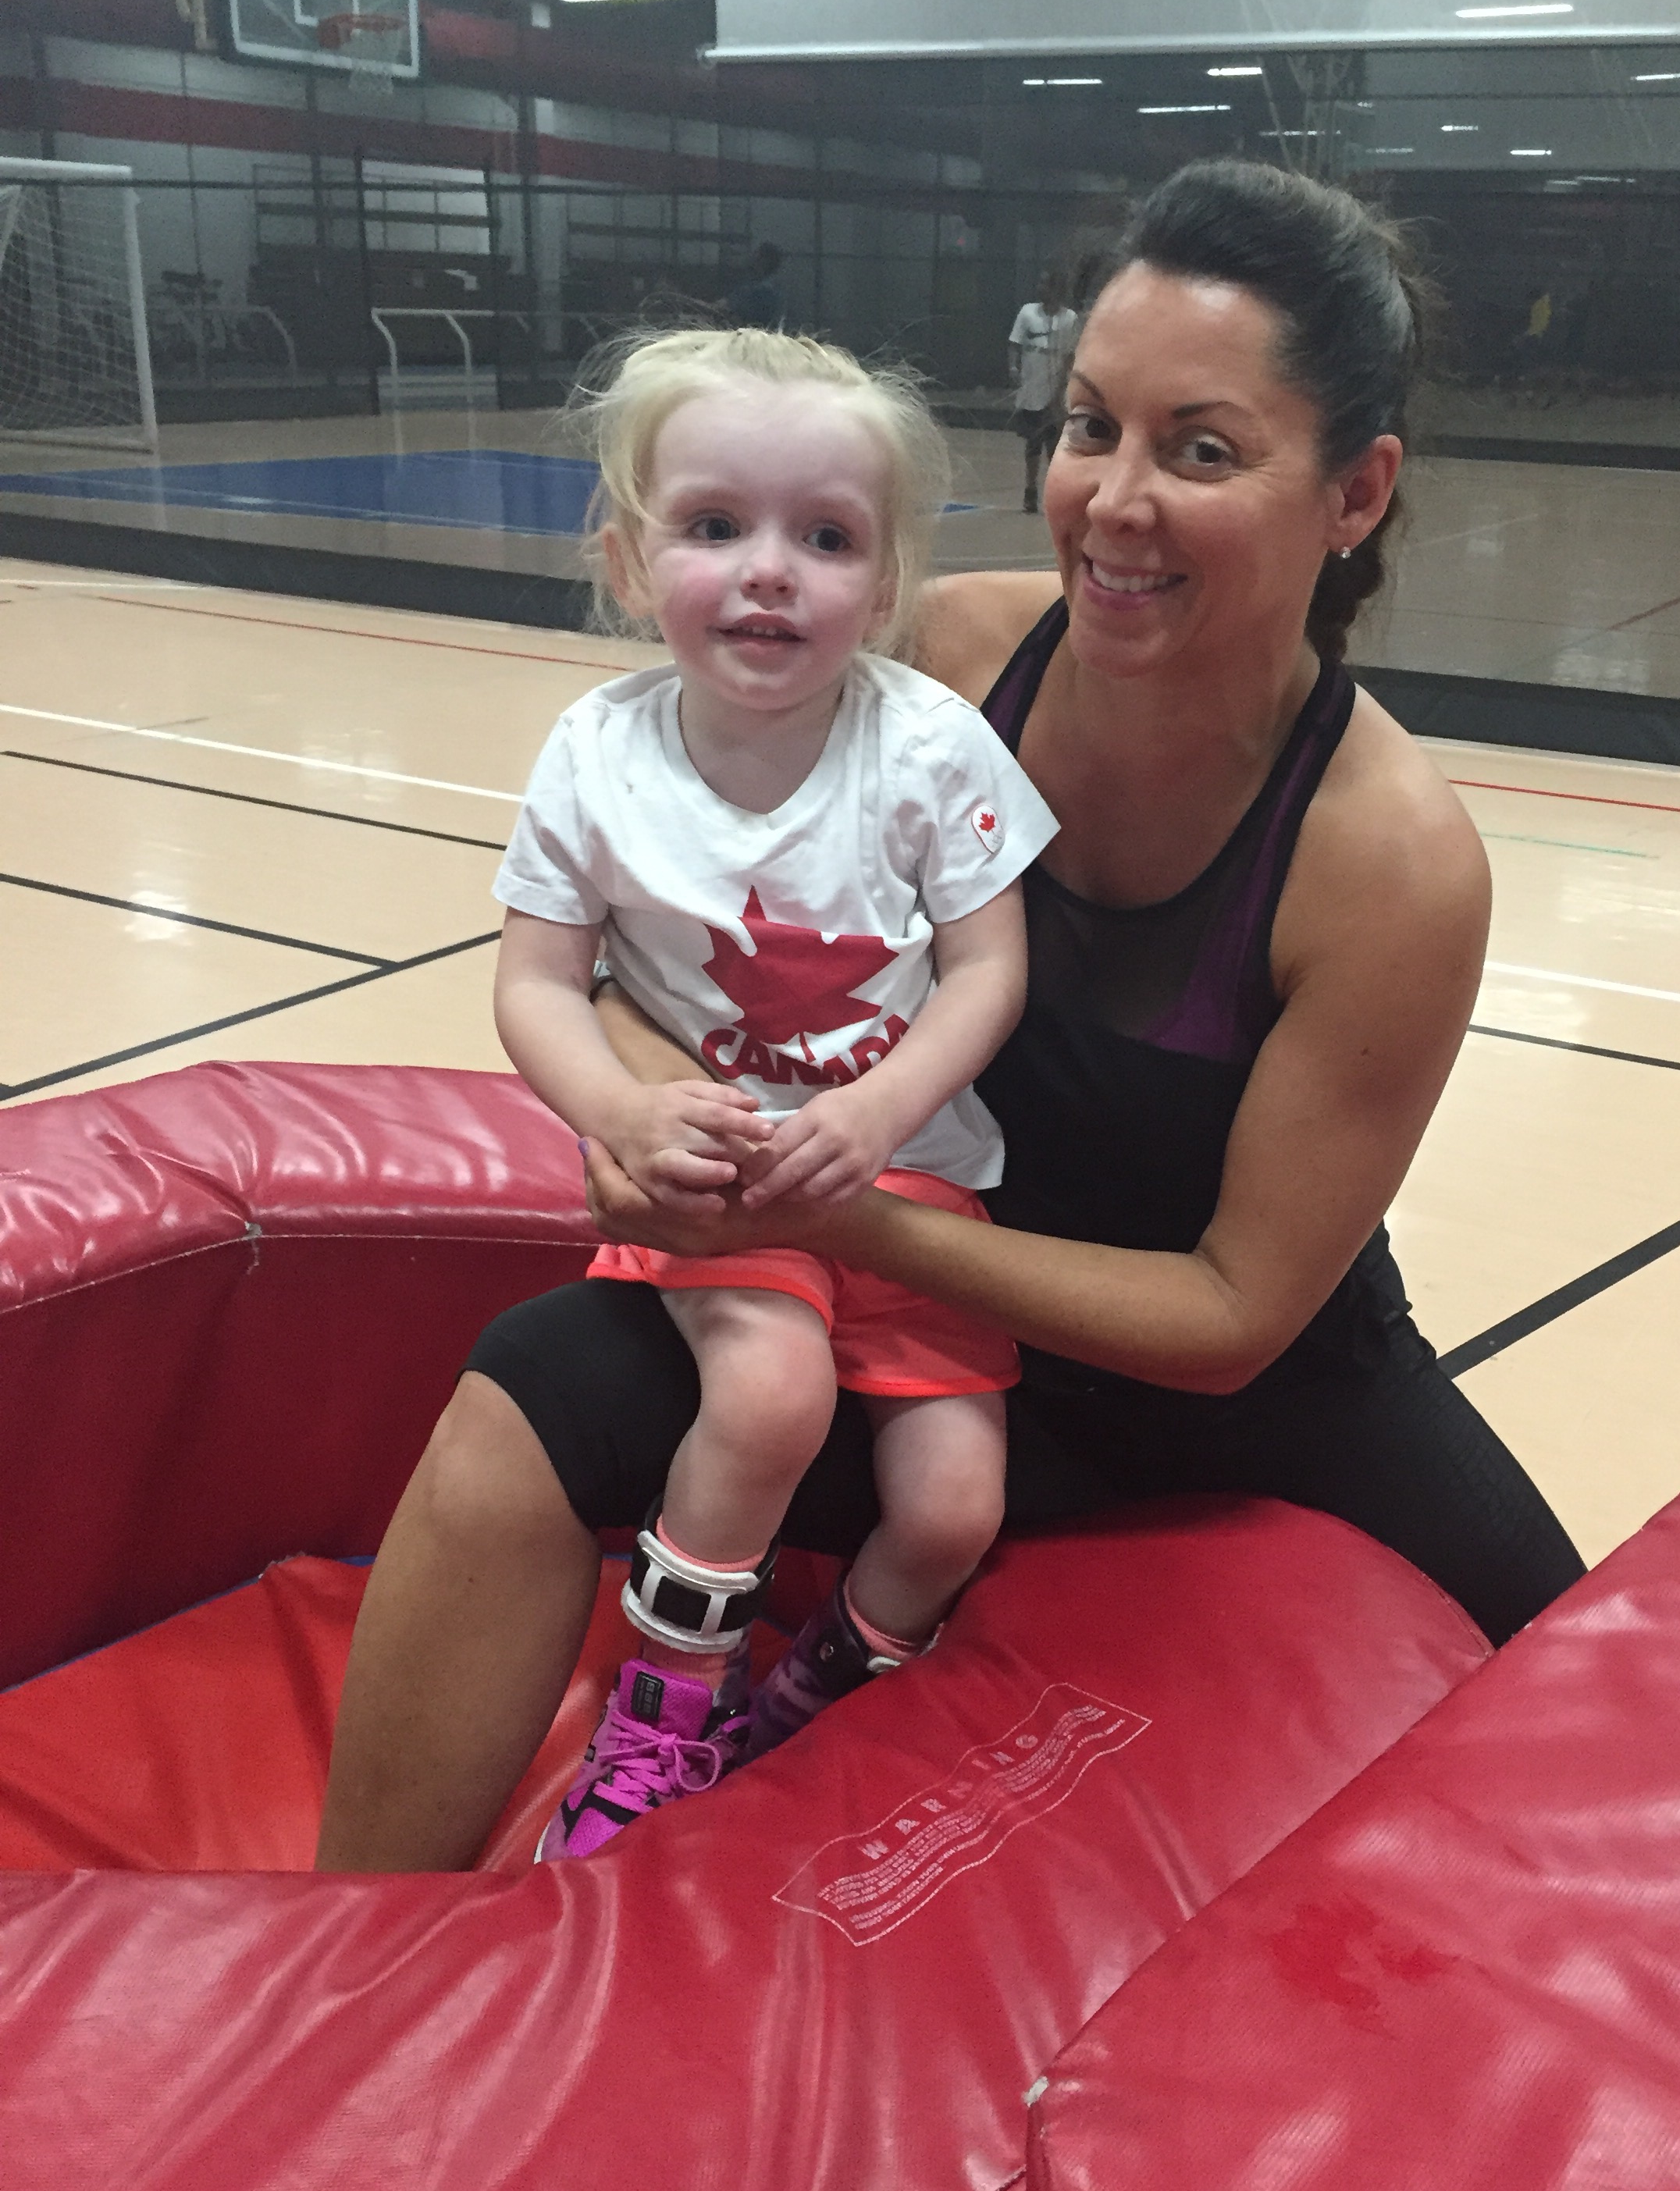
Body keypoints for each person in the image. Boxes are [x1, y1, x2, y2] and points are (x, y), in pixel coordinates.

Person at [316, 158, 1585, 1878]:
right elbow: (638, 935)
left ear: (1354, 490)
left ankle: (844, 1660)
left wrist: (842, 1211)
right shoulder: (950, 658)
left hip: (1236, 1386)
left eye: (1201, 450)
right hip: (901, 1284)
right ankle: (348, 1961)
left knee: (1574, 1698)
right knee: (528, 1394)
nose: (1112, 501)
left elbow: (1229, 1316)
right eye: (1088, 427)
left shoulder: (1390, 861)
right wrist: (651, 1116)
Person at [488, 325, 1056, 1857]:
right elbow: (536, 982)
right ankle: (666, 1708)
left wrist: (879, 1112)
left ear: (885, 581)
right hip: (726, 1184)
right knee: (770, 1389)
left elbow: (989, 970)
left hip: (906, 1178)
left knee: (951, 1510)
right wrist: (621, 1114)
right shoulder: (598, 753)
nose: (767, 573)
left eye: (824, 538)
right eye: (714, 525)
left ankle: (821, 1683)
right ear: (628, 560)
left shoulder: (926, 745)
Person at [1007, 268, 1079, 512]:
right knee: (1032, 444)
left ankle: (1055, 495)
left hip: (1056, 394)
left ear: (1056, 289)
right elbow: (1014, 344)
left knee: (1055, 447)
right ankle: (1030, 491)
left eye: (1045, 284)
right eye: (1040, 284)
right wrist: (1013, 368)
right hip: (1031, 392)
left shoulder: (1069, 319)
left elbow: (1070, 356)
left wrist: (1061, 389)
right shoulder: (1027, 312)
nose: (1040, 288)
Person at [727, 243, 787, 330]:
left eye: (757, 257)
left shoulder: (767, 291)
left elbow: (747, 319)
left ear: (765, 261)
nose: (752, 260)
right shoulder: (751, 283)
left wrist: (728, 312)